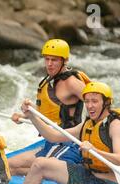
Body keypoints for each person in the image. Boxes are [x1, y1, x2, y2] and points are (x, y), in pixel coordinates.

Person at [19, 82, 120, 184]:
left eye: (94, 101)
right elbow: (53, 136)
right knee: (39, 164)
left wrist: (95, 150)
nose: (90, 106)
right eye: (86, 101)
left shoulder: (116, 125)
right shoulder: (88, 124)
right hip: (88, 174)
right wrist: (32, 116)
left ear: (106, 103)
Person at [9, 39, 91, 176]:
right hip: (51, 140)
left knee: (25, 168)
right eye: (47, 59)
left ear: (64, 61)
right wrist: (25, 115)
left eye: (54, 60)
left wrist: (93, 131)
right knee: (10, 165)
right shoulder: (51, 79)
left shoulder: (71, 82)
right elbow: (51, 112)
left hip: (67, 142)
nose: (49, 64)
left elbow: (98, 103)